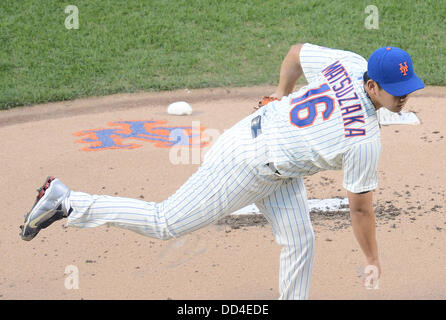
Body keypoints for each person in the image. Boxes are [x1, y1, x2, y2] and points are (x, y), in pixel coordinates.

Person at [20, 43, 425, 299]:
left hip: (272, 159)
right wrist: (372, 259)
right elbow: (359, 210)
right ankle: (69, 202)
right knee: (166, 221)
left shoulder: (347, 63)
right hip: (247, 163)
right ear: (371, 86)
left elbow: (297, 52)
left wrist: (280, 95)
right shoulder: (364, 140)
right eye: (396, 89)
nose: (405, 96)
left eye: (407, 88)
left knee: (300, 240)